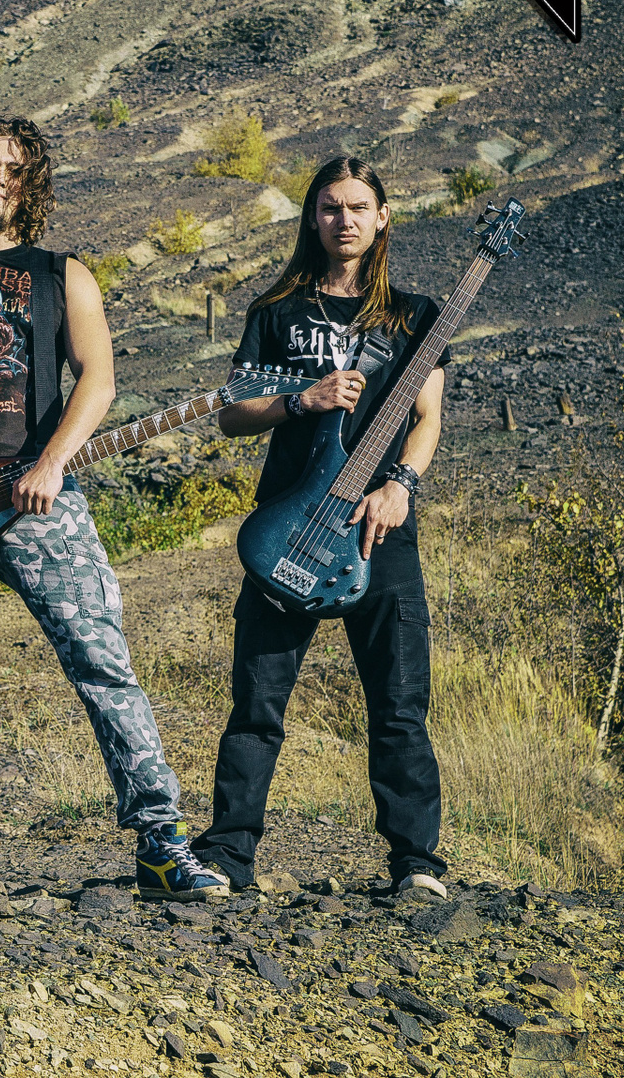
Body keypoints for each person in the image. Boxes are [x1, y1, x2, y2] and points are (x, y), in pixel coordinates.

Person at [0, 115, 219, 900]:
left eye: (15, 169)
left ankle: (161, 841)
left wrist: (53, 462)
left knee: (103, 662)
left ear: (32, 186)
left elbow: (99, 379)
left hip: (37, 496)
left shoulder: (64, 274)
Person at [197, 155, 450, 898]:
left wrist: (401, 485)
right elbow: (232, 414)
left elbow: (427, 419)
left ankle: (416, 864)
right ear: (313, 217)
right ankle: (228, 857)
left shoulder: (416, 317)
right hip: (291, 528)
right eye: (332, 206)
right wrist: (299, 401)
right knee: (257, 704)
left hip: (380, 530)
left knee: (399, 707)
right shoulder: (276, 311)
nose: (345, 219)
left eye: (359, 207)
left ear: (383, 218)